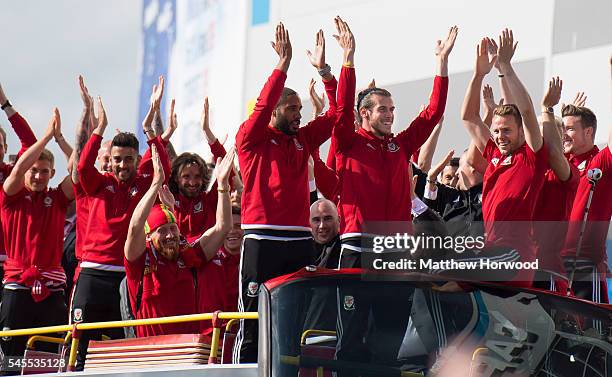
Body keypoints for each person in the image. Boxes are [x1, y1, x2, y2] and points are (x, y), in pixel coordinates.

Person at [233, 22, 340, 363]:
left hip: (298, 241)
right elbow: (261, 107)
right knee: (252, 319)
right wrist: (283, 65)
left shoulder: (303, 139)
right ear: (276, 111)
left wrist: (325, 71)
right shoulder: (250, 139)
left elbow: (338, 114)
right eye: (292, 109)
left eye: (300, 109)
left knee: (298, 320)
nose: (299, 114)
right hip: (261, 240)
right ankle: (242, 369)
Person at [333, 21, 455, 264]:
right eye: (382, 109)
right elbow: (343, 108)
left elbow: (433, 113)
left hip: (397, 248)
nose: (390, 115)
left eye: (392, 109)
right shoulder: (348, 142)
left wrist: (442, 63)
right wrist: (348, 60)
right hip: (358, 244)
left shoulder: (400, 146)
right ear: (364, 113)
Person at [71, 79, 171, 369]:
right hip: (91, 274)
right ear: (110, 161)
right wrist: (100, 126)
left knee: (121, 349)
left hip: (125, 277)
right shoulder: (97, 184)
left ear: (136, 159)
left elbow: (161, 166)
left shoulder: (142, 182)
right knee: (79, 346)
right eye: (117, 160)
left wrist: (151, 127)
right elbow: (81, 167)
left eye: (128, 159)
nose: (122, 165)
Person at [461, 31, 548, 284]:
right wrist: (478, 75)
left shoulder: (532, 156)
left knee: (447, 268)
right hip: (492, 254)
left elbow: (528, 110)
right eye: (496, 131)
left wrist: (506, 68)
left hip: (515, 257)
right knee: (437, 273)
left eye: (506, 130)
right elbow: (469, 117)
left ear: (522, 131)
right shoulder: (495, 156)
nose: (499, 136)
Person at [124, 146, 233, 337]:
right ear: (149, 236)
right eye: (162, 231)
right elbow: (135, 226)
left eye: (173, 229)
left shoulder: (188, 256)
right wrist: (155, 185)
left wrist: (223, 185)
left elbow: (222, 227)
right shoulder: (140, 260)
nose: (169, 236)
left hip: (186, 352)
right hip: (152, 353)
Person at [0, 109, 74, 358]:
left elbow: (79, 170)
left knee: (49, 359)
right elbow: (19, 167)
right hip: (17, 285)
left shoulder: (58, 198)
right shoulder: (10, 196)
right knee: (9, 358)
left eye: (44, 171)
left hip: (52, 288)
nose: (38, 176)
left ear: (53, 174)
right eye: (34, 170)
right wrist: (44, 138)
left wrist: (60, 139)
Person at [561, 58, 612, 303]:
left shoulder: (601, 162)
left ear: (589, 132)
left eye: (570, 128)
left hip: (585, 265)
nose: (564, 134)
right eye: (563, 128)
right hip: (553, 263)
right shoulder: (561, 163)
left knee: (593, 334)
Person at [532, 77, 579, 293]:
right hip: (521, 268)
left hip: (549, 272)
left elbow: (552, 151)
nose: (541, 137)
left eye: (547, 131)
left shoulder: (567, 171)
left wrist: (547, 109)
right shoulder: (525, 170)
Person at [169, 97, 228, 243]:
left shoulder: (210, 200)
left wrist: (207, 131)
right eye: (186, 176)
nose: (192, 182)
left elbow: (227, 165)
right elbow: (159, 153)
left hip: (206, 260)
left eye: (197, 176)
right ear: (176, 177)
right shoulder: (167, 199)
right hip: (177, 262)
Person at [197, 205, 242, 334]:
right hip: (207, 336)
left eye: (238, 226)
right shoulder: (205, 256)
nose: (232, 231)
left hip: (239, 336)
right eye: (228, 227)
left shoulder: (253, 262)